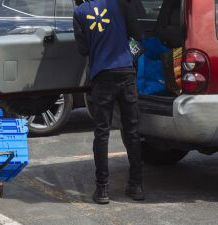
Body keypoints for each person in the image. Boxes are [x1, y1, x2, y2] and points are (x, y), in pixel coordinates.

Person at [73, 0, 146, 204]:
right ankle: (137, 186)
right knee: (132, 131)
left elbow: (83, 49)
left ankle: (102, 189)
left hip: (101, 76)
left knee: (102, 132)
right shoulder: (121, 3)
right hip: (126, 73)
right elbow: (138, 35)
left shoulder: (79, 12)